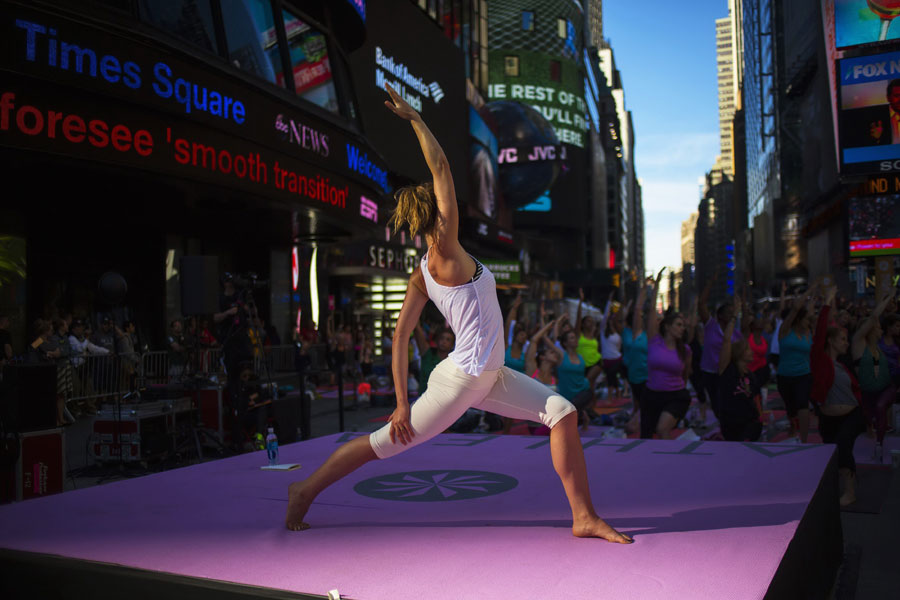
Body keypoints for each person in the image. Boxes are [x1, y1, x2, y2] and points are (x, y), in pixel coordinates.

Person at [284, 84, 632, 543]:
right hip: (463, 380)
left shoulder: (423, 270)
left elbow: (400, 336)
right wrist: (415, 120)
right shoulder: (443, 253)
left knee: (562, 412)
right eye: (440, 200)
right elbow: (442, 165)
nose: (446, 199)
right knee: (381, 447)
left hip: (488, 374)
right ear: (436, 215)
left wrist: (404, 399)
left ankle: (583, 516)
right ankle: (304, 490)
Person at [811, 287, 865, 507]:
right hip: (828, 418)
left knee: (843, 445)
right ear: (831, 342)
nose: (846, 342)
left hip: (852, 415)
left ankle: (850, 492)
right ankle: (837, 487)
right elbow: (820, 333)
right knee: (832, 453)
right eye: (842, 339)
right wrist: (827, 304)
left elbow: (857, 392)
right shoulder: (821, 361)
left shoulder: (844, 366)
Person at [851, 292, 895, 463]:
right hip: (868, 391)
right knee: (869, 415)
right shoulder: (858, 343)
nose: (881, 330)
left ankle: (879, 444)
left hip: (886, 387)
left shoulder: (879, 348)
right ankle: (871, 431)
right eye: (877, 327)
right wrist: (887, 298)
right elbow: (874, 316)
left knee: (881, 406)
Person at [642, 303, 692, 440]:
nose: (682, 329)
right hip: (652, 395)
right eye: (678, 325)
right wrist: (656, 285)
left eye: (683, 325)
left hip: (676, 396)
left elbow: (686, 374)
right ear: (667, 327)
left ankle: (670, 459)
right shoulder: (654, 341)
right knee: (645, 435)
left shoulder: (685, 350)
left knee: (662, 429)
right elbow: (651, 312)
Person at [717, 295, 762, 442]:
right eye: (748, 350)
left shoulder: (751, 376)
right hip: (730, 423)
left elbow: (755, 400)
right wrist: (735, 315)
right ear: (740, 353)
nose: (752, 352)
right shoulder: (728, 370)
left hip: (750, 423)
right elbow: (726, 340)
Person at [697, 280, 743, 422]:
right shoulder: (711, 326)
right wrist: (712, 280)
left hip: (728, 372)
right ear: (720, 316)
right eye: (729, 312)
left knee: (728, 402)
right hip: (710, 372)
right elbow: (701, 304)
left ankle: (729, 428)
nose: (732, 314)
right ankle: (724, 428)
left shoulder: (736, 333)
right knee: (716, 404)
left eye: (733, 312)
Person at [777, 284, 816, 443]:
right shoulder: (785, 330)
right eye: (806, 319)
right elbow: (795, 309)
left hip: (804, 375)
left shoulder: (807, 332)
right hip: (784, 376)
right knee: (791, 408)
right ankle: (793, 427)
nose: (809, 321)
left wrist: (817, 298)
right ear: (798, 320)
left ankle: (805, 439)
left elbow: (810, 311)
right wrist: (809, 290)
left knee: (803, 406)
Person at [600, 291, 626, 400]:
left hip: (616, 359)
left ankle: (611, 395)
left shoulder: (618, 333)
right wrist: (609, 302)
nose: (611, 322)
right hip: (607, 359)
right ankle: (618, 391)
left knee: (611, 376)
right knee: (612, 377)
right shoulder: (603, 332)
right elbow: (605, 316)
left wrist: (624, 306)